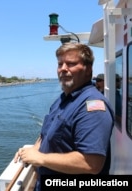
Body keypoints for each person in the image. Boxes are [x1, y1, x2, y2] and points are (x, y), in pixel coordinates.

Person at [14, 43, 114, 191]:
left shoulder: (93, 107)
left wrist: (40, 158)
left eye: (71, 64)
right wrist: (32, 151)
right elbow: (46, 134)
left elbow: (92, 163)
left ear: (88, 70)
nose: (63, 68)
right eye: (60, 64)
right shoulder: (62, 100)